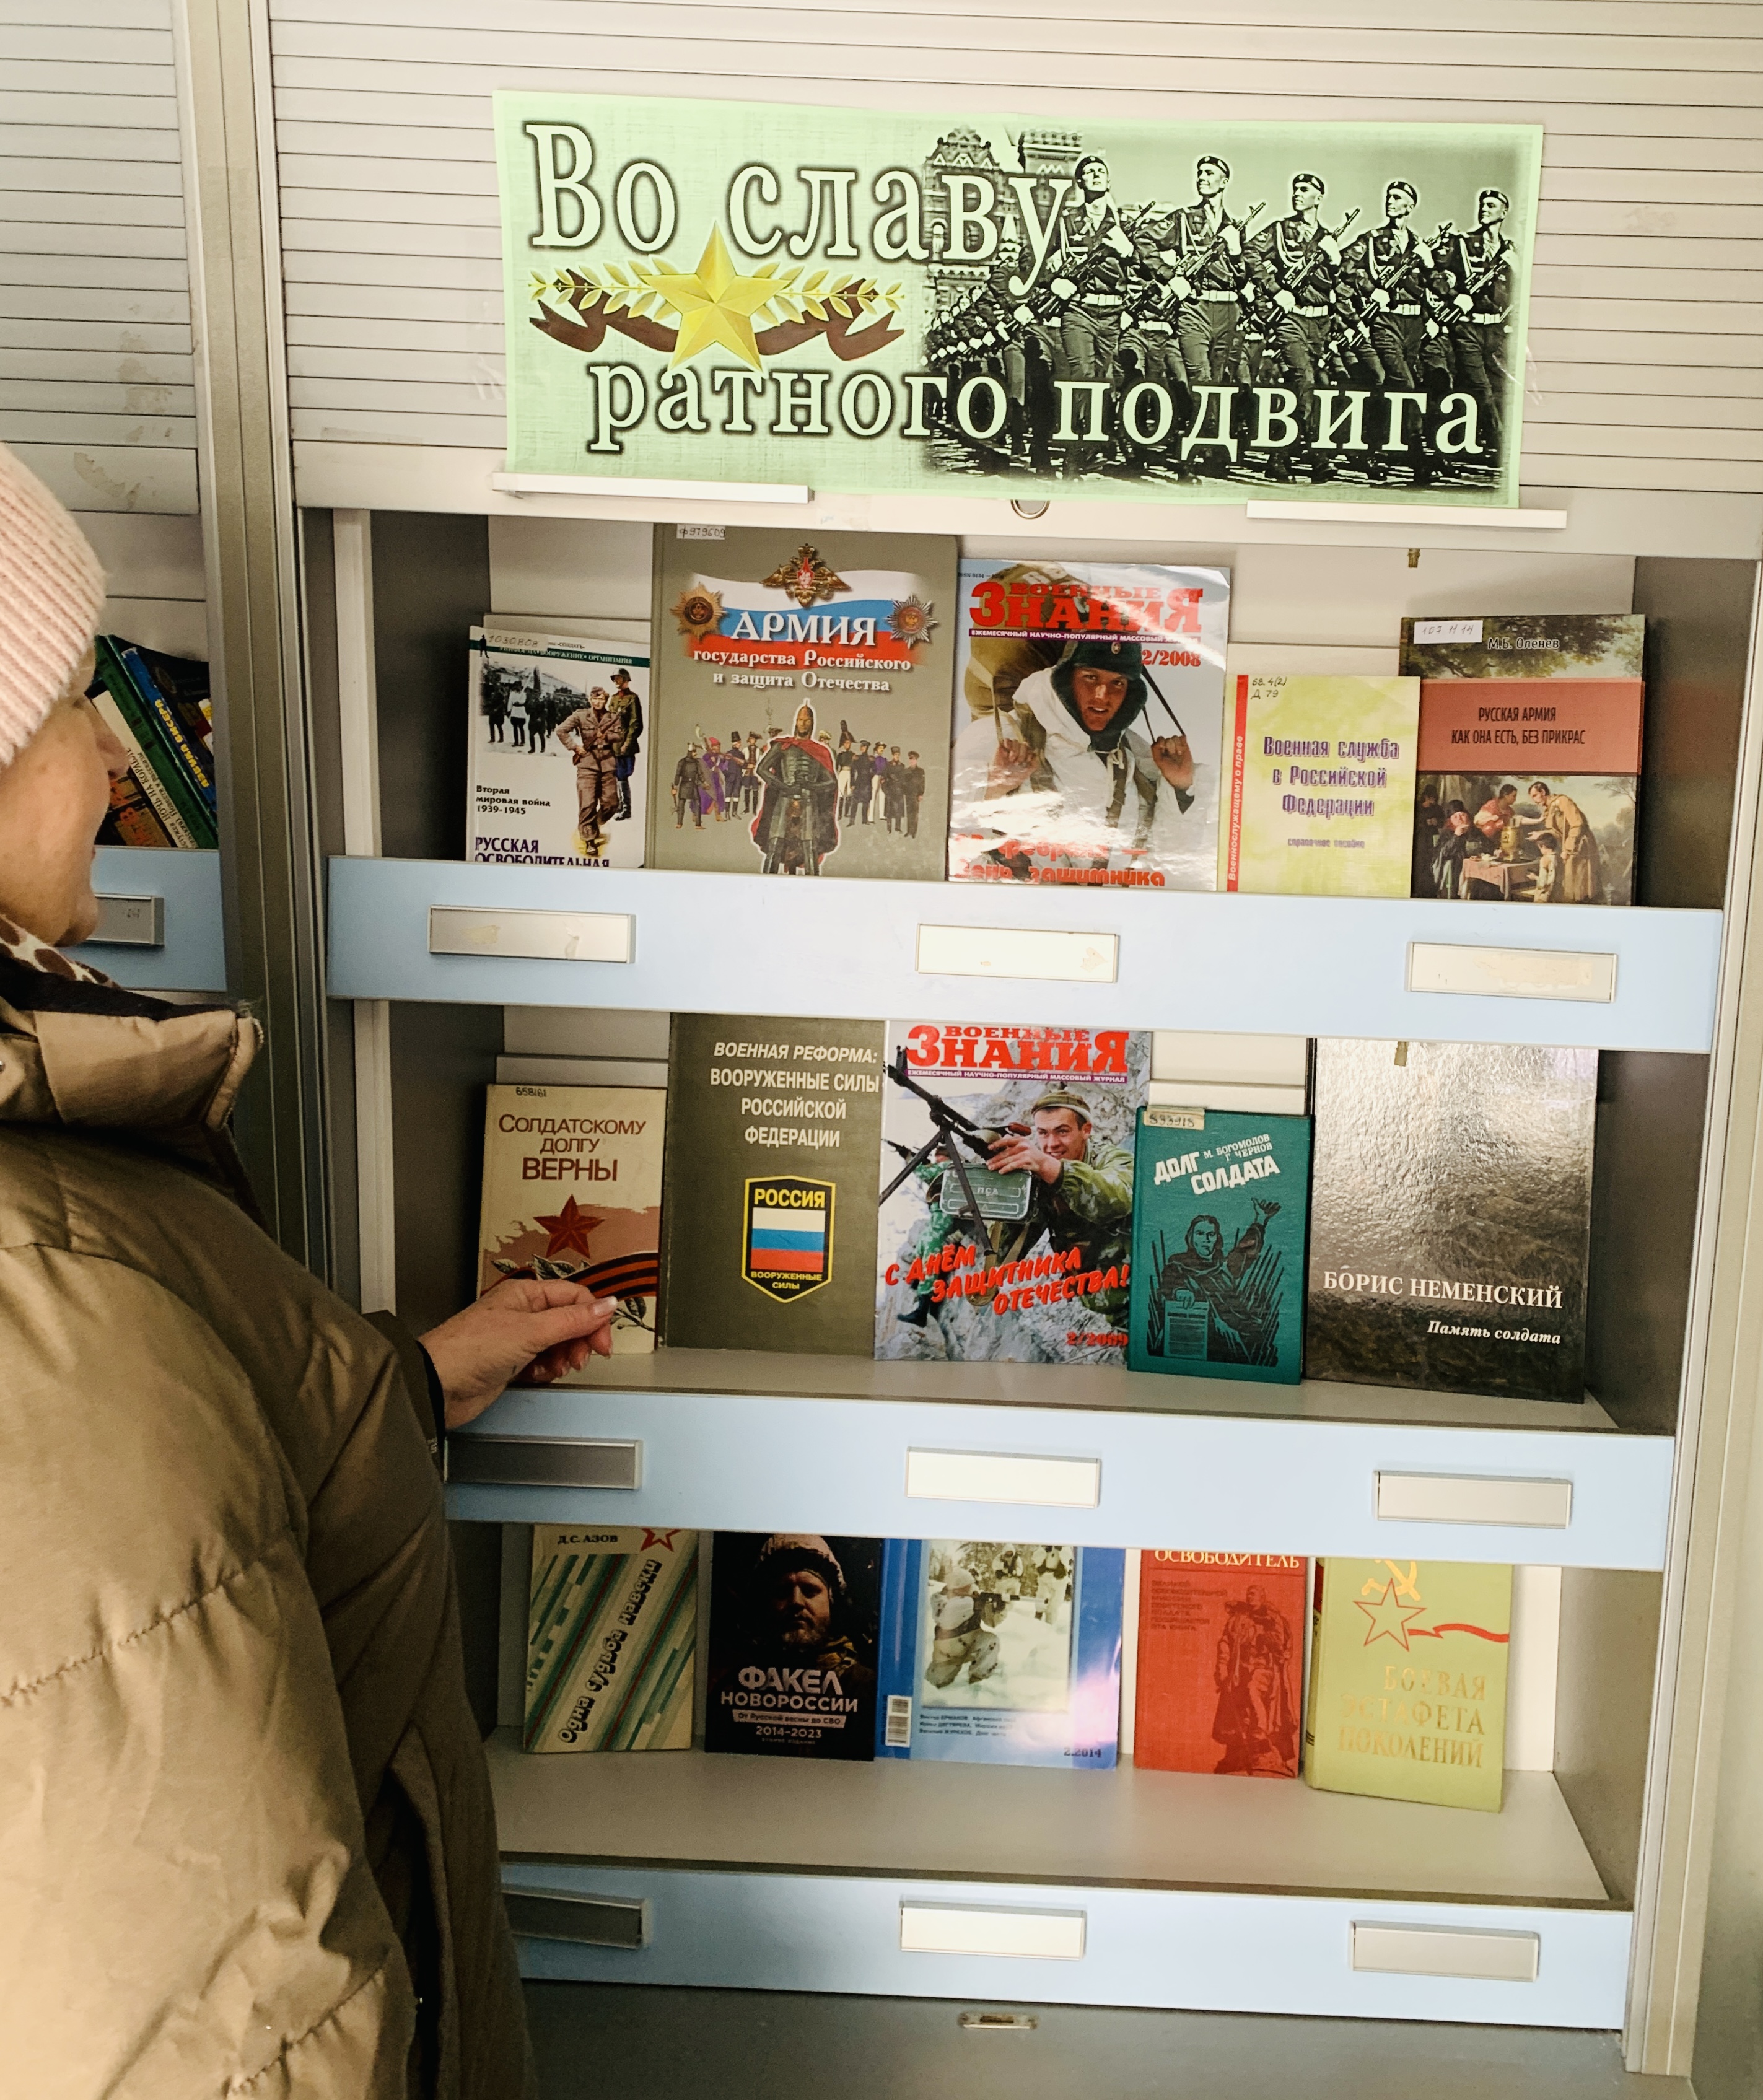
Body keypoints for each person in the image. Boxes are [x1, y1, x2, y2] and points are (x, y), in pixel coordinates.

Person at [0, 442, 616, 2094]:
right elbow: (224, 2020)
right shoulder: (36, 1271)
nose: (116, 762)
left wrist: (394, 1384)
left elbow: (160, 1533)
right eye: (70, 706)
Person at [950, 634, 1196, 876]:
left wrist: (1180, 788)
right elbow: (943, 841)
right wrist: (993, 789)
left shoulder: (1136, 755)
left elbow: (1170, 860)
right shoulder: (997, 737)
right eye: (1091, 677)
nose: (1102, 695)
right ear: (1066, 680)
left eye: (1118, 683)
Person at [752, 701, 839, 874]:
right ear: (796, 721)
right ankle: (765, 884)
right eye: (800, 720)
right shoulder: (782, 746)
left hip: (809, 802)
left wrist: (810, 785)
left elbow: (831, 783)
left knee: (810, 848)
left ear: (812, 723)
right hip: (784, 801)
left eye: (807, 720)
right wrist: (783, 787)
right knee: (775, 845)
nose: (803, 723)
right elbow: (761, 769)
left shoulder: (820, 751)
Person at [556, 685, 621, 856]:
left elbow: (620, 735)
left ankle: (595, 824)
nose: (599, 702)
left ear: (606, 700)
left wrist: (606, 737)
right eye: (595, 699)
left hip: (607, 764)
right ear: (590, 700)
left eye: (602, 699)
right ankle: (589, 840)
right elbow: (561, 730)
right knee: (587, 804)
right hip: (587, 765)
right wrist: (575, 747)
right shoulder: (581, 715)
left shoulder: (613, 717)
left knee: (612, 803)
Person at [1528, 778, 1603, 901]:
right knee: (1569, 884)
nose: (1534, 800)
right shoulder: (1549, 809)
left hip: (1579, 844)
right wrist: (1541, 833)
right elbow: (1558, 833)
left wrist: (1568, 849)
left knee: (1580, 884)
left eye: (1535, 796)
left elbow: (1578, 824)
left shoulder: (1562, 801)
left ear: (1543, 792)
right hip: (1569, 845)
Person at [901, 748, 926, 839]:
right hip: (908, 794)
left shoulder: (921, 771)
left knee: (915, 814)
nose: (912, 761)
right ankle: (909, 831)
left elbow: (922, 783)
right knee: (909, 813)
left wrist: (921, 794)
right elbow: (904, 783)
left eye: (914, 759)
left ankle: (914, 832)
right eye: (911, 759)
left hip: (916, 795)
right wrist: (904, 792)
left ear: (917, 761)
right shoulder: (906, 771)